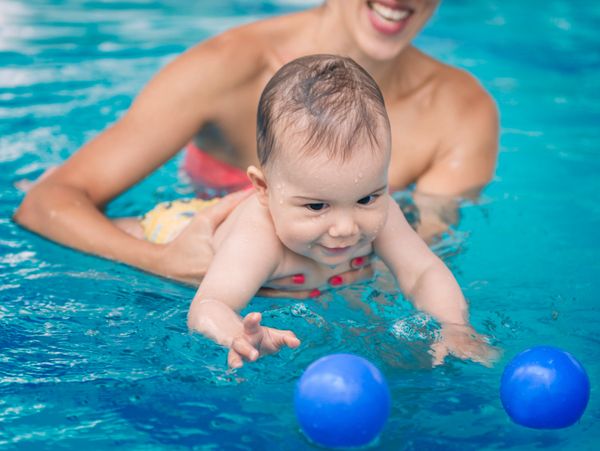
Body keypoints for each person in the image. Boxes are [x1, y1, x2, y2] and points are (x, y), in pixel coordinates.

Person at [14, 0, 498, 292]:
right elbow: (45, 204)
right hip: (194, 240)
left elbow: (424, 255)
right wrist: (163, 262)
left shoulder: (461, 112)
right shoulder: (227, 68)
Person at [120, 54, 496, 368]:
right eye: (317, 206)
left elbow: (424, 272)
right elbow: (208, 304)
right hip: (177, 225)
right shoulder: (257, 237)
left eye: (367, 198)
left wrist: (453, 326)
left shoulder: (384, 214)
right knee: (130, 230)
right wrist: (235, 333)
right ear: (263, 189)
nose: (346, 228)